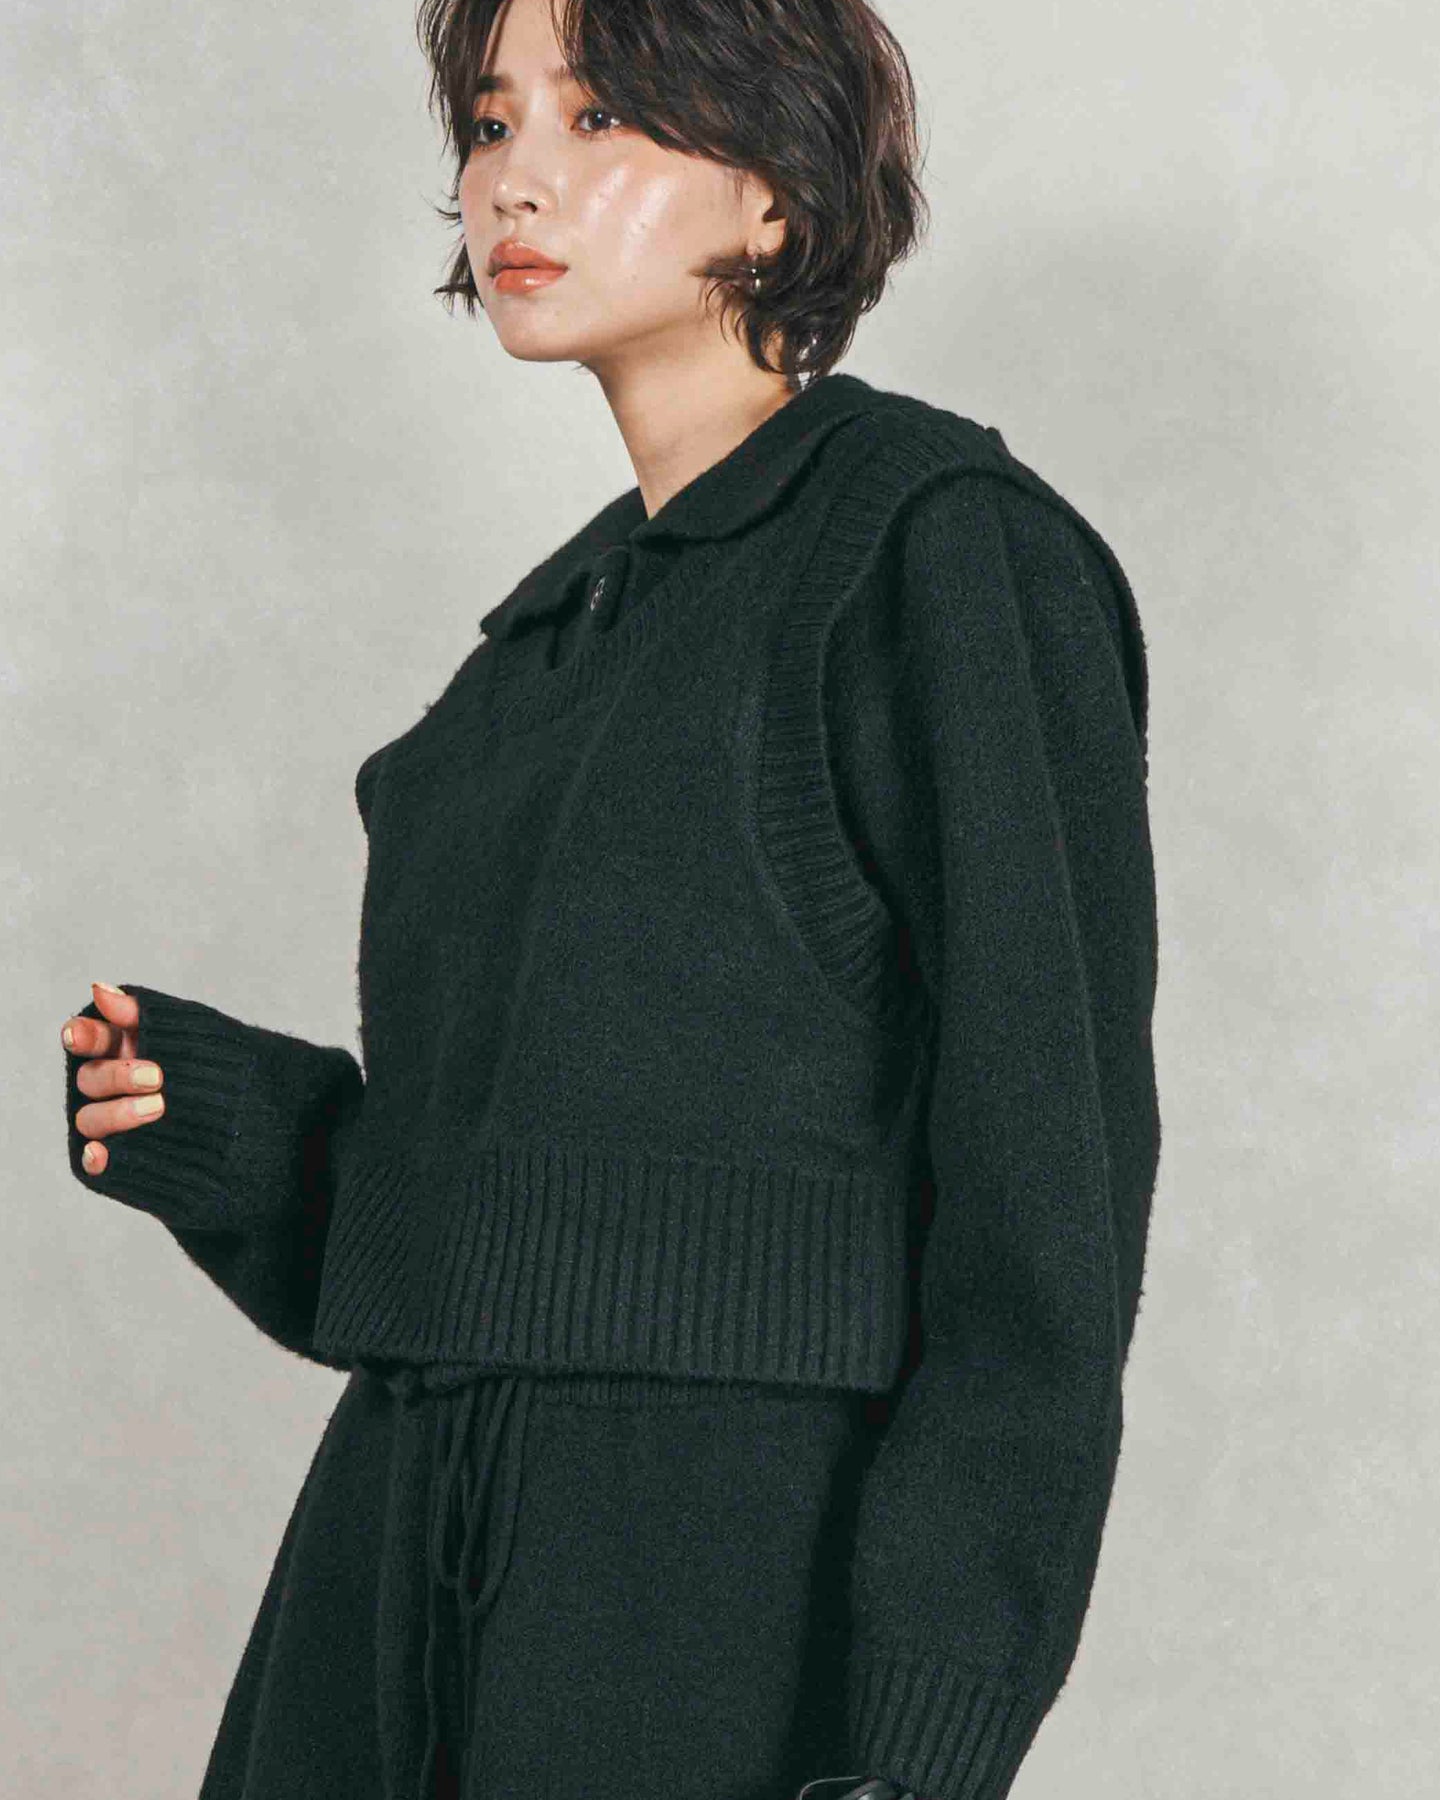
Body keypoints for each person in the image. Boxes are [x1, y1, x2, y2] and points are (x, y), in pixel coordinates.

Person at [61, 1, 1161, 1797]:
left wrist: (918, 1743)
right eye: (494, 124)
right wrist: (259, 1141)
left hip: (707, 1600)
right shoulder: (519, 673)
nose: (517, 180)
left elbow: (1043, 1220)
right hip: (377, 1586)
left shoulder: (935, 549)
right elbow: (521, 1241)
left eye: (601, 119)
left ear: (775, 194)